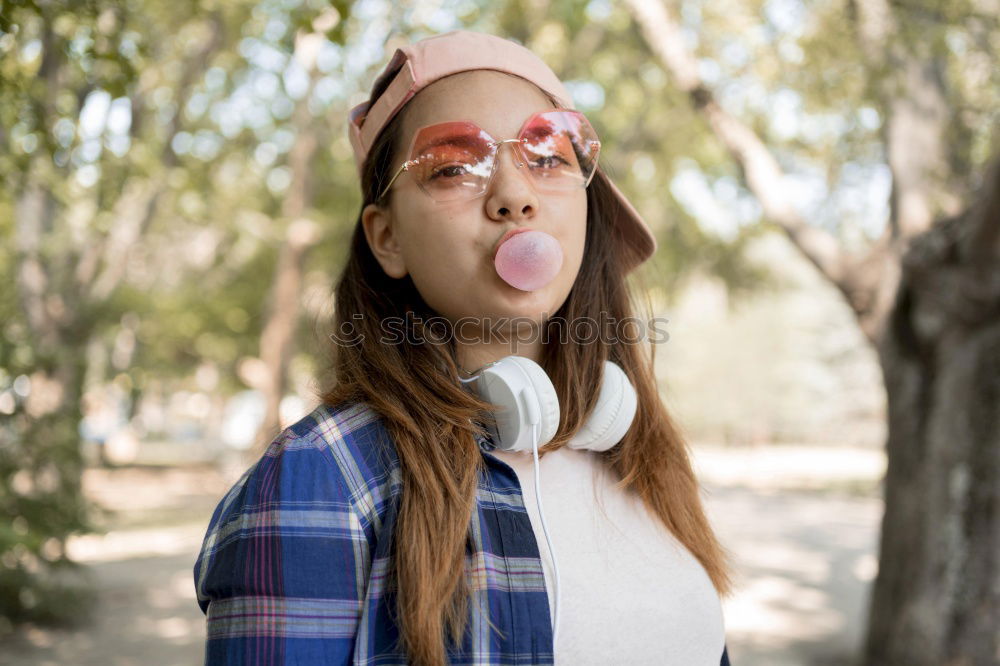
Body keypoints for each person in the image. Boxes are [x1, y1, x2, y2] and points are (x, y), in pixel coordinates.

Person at [193, 28, 736, 665]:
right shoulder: (322, 477)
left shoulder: (640, 456)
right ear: (387, 236)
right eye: (454, 166)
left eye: (548, 156)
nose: (514, 195)